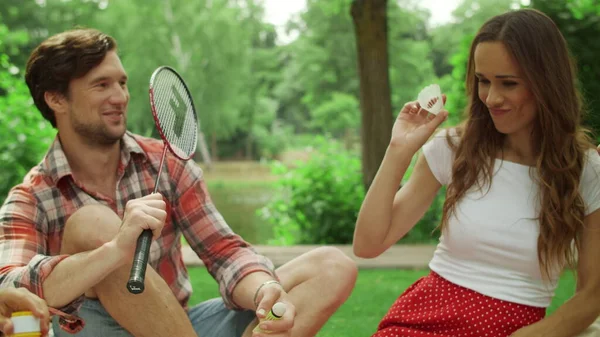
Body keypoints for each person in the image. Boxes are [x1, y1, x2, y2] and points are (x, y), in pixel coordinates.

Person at [0, 28, 357, 337]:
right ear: (56, 98)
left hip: (176, 325)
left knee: (331, 266)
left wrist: (265, 288)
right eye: (101, 85)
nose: (120, 96)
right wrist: (113, 250)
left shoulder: (166, 163)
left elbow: (224, 251)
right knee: (93, 223)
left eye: (122, 83)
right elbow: (9, 287)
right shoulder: (33, 195)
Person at [353, 8, 600, 337]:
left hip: (511, 327)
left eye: (508, 83)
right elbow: (368, 245)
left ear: (547, 84)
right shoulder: (454, 149)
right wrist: (399, 151)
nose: (491, 98)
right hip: (422, 318)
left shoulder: (585, 170)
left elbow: (592, 295)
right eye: (483, 81)